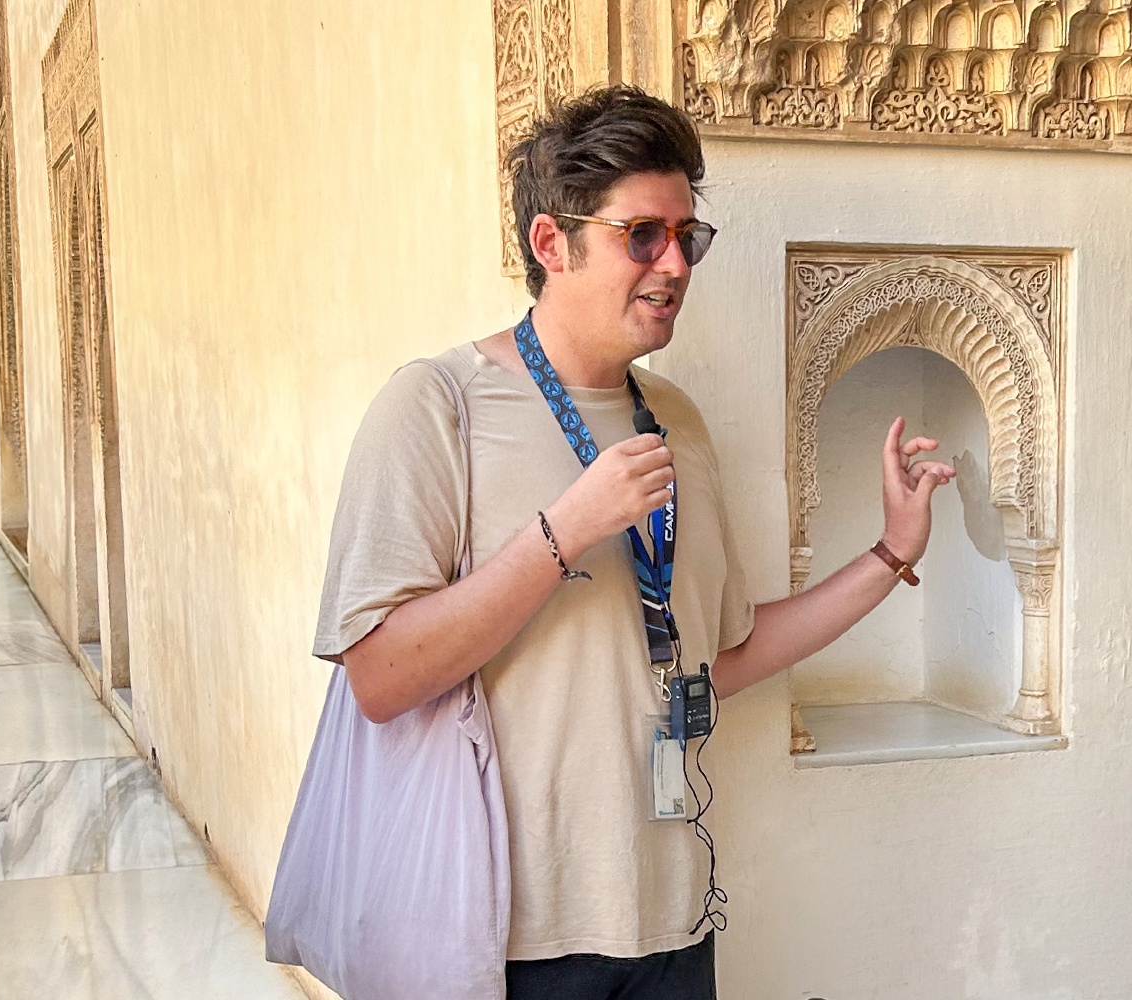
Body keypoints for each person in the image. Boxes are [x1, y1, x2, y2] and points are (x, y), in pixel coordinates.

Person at [311, 85, 956, 1000]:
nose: (675, 263)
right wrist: (567, 527)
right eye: (640, 234)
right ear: (550, 243)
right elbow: (377, 676)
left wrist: (890, 552)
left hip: (672, 916)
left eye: (686, 236)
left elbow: (717, 658)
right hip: (505, 938)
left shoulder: (676, 421)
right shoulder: (437, 406)